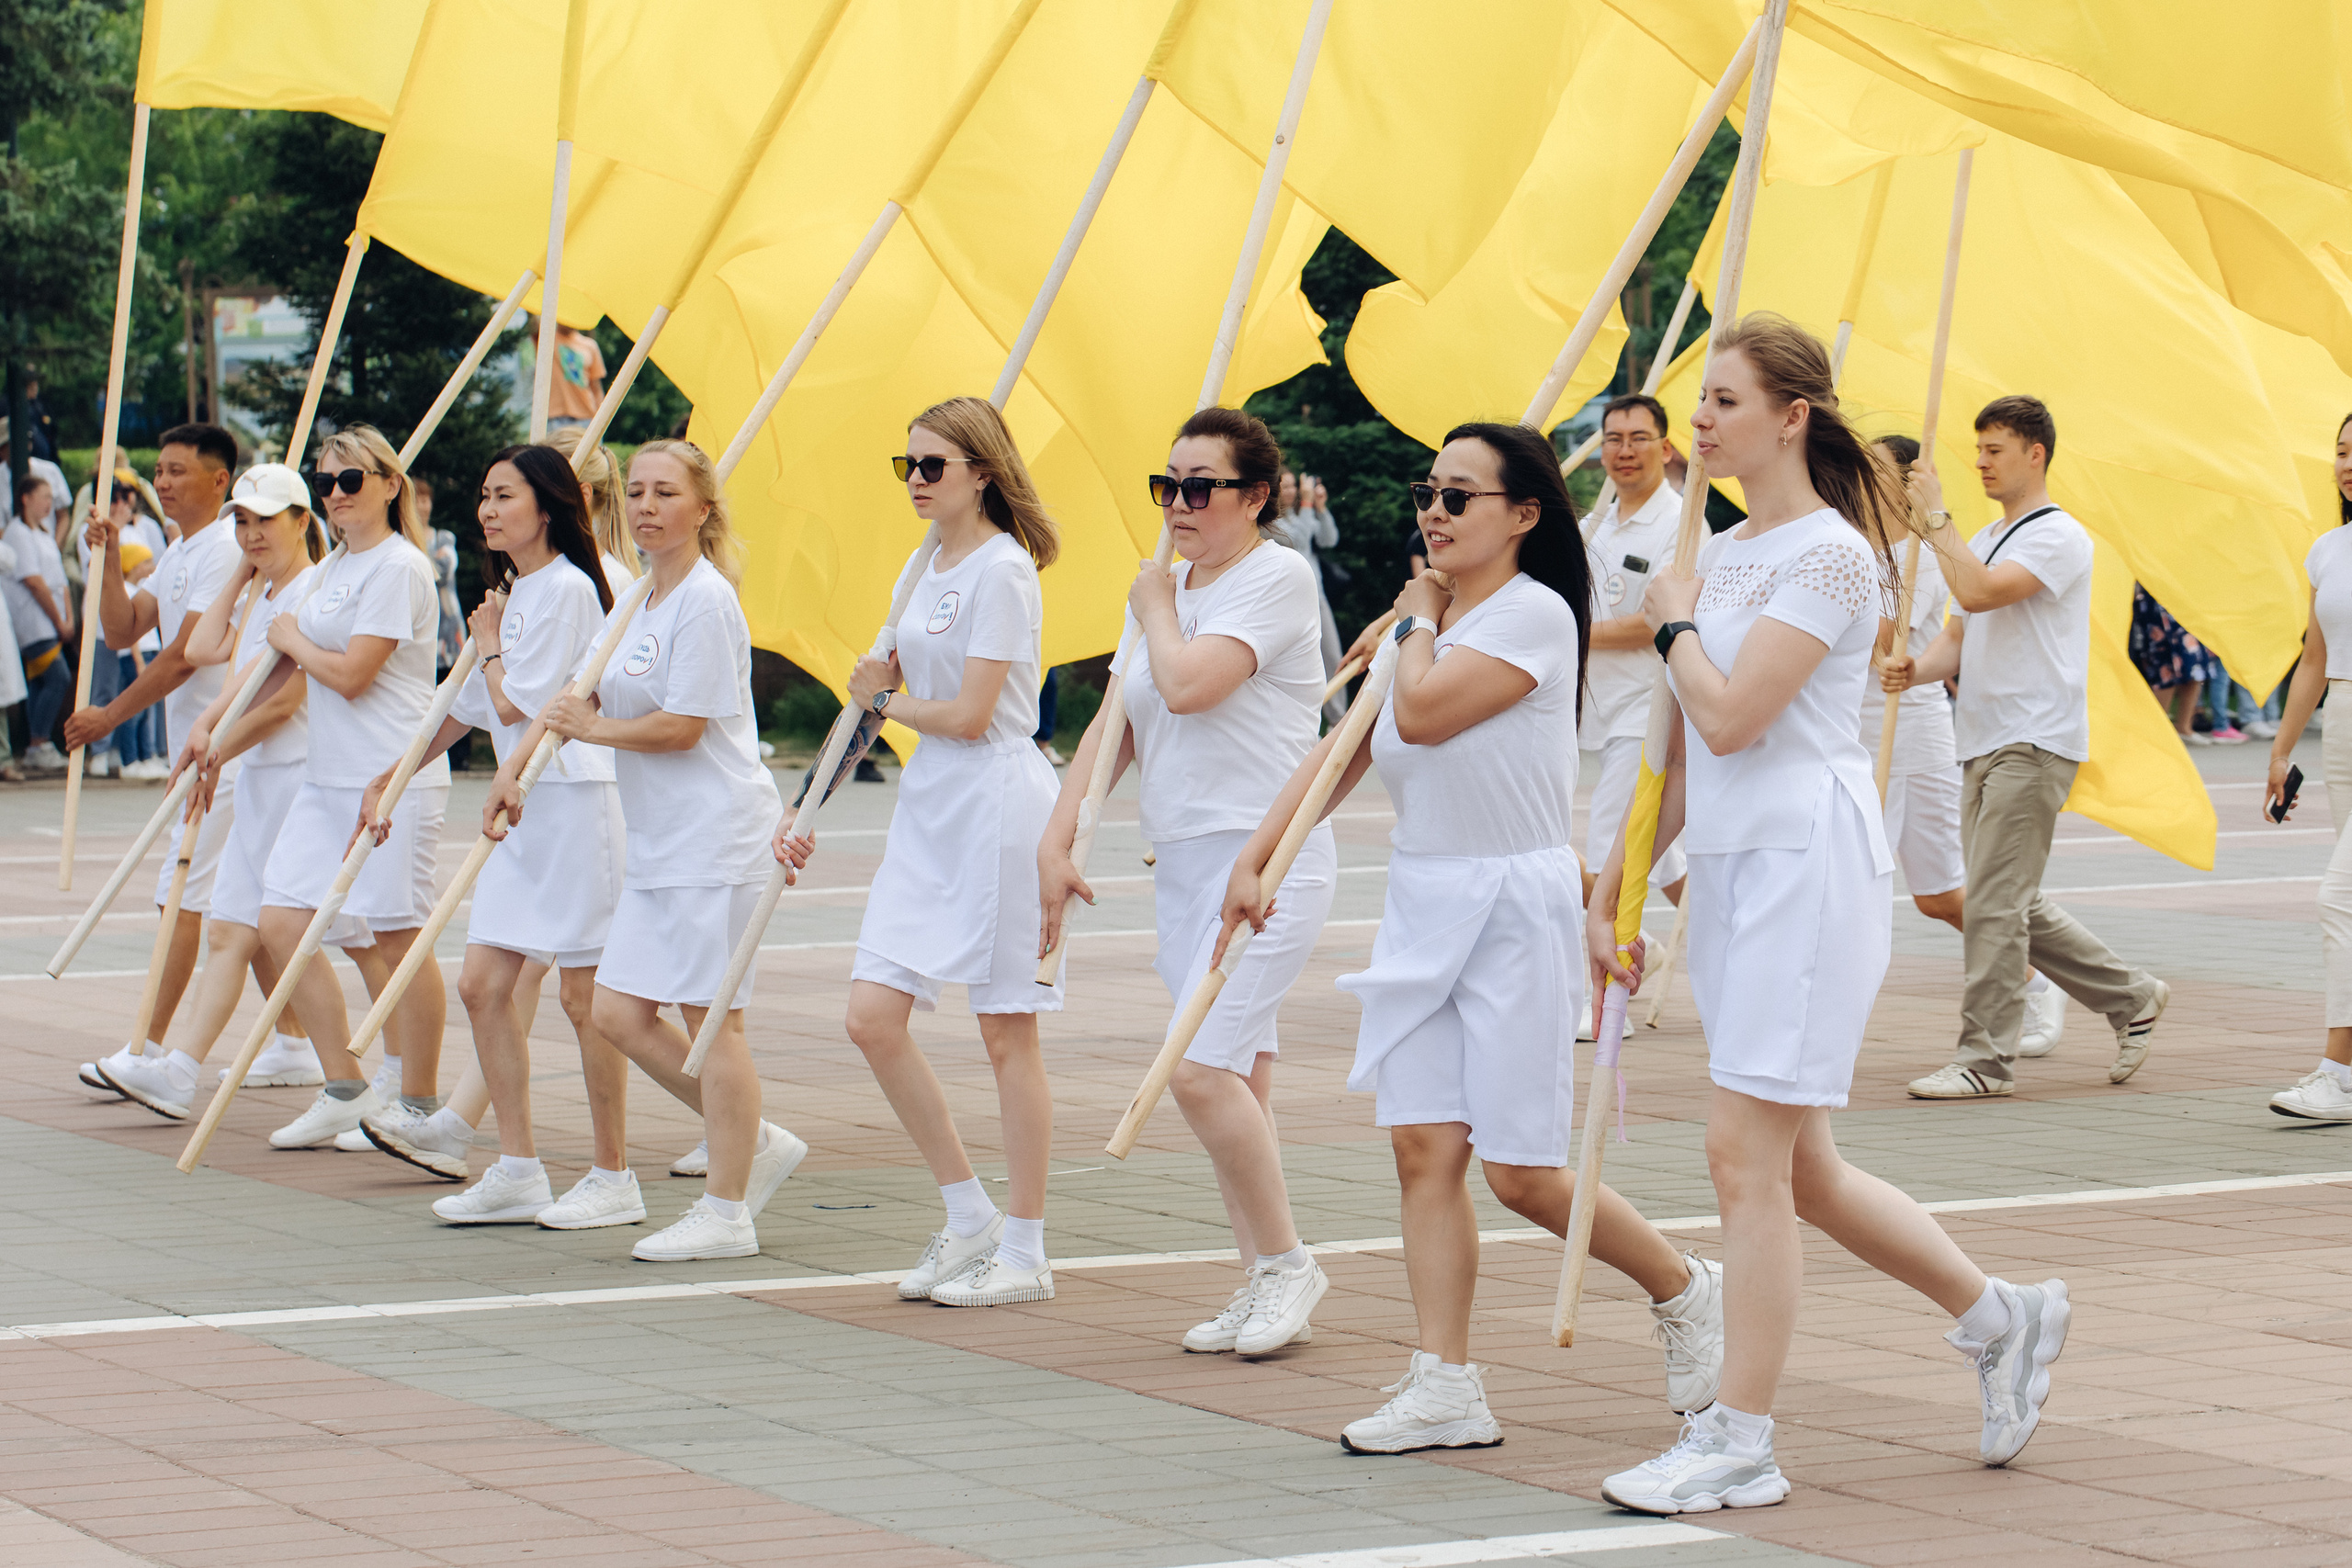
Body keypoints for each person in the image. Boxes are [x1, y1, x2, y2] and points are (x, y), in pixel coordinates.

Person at [1593, 315, 2067, 1513]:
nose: (1700, 420)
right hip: (1741, 861)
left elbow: (1738, 709)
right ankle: (2001, 1314)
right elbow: (1685, 744)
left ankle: (1740, 1433)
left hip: (1809, 857)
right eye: (1700, 400)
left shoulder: (1833, 554)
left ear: (1791, 416)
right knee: (1802, 1169)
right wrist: (1623, 878)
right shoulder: (1726, 548)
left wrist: (1676, 623)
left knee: (1742, 1154)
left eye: (1726, 399)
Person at [1232, 423, 1722, 1452]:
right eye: (1428, 493)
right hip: (1425, 897)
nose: (1434, 514)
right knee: (1421, 1148)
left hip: (1512, 906)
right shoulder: (1435, 622)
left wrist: (1412, 624)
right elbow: (1346, 752)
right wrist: (1259, 856)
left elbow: (1426, 712)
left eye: (1460, 497)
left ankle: (1684, 1287)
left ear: (1526, 514)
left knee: (1522, 1172)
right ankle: (1444, 1382)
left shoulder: (1536, 614)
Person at [1038, 407, 1340, 1356]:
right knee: (1236, 1076)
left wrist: (1157, 609)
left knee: (1199, 1072)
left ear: (1255, 498)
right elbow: (1116, 723)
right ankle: (1260, 1276)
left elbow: (1189, 684)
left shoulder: (1275, 578)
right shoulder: (1162, 590)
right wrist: (1059, 838)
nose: (1177, 503)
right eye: (1165, 485)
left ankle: (1290, 1265)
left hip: (1266, 860)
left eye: (1199, 487)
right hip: (1184, 863)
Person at [780, 397, 1064, 1305]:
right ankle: (966, 1211)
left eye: (931, 465)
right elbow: (867, 699)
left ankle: (1024, 1249)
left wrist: (885, 704)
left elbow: (970, 713)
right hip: (930, 805)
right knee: (870, 1015)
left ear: (981, 472)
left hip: (996, 799)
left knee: (1003, 1030)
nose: (913, 479)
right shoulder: (920, 565)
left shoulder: (1005, 573)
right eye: (905, 464)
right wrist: (809, 804)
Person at [529, 438, 807, 1261]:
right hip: (661, 843)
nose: (648, 505)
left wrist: (596, 729)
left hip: (716, 838)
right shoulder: (639, 598)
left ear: (703, 508)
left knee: (713, 1023)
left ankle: (726, 1210)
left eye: (666, 493)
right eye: (638, 492)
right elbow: (571, 696)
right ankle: (749, 1136)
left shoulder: (708, 601)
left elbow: (684, 727)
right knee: (616, 1011)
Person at [355, 445, 638, 1224]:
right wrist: (399, 768)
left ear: (546, 507)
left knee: (586, 999)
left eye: (504, 495)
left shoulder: (574, 589)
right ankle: (517, 1164)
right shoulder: (516, 591)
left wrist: (488, 645)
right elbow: (476, 709)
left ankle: (614, 1171)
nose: (487, 509)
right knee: (483, 984)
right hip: (522, 803)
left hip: (574, 802)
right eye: (483, 494)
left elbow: (522, 705)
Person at [1886, 395, 2169, 1099]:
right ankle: (2131, 995)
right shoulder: (1981, 535)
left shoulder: (2059, 535)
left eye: (1994, 450)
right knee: (2000, 897)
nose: (1980, 462)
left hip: (2035, 737)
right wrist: (1911, 669)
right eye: (1978, 450)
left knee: (1992, 903)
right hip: (1980, 737)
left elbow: (1980, 595)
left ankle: (1985, 1057)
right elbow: (1956, 635)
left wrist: (1935, 517)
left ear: (2034, 453)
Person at [96, 467, 376, 1117]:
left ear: (305, 520)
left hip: (301, 781)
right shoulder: (263, 592)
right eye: (242, 521)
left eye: (266, 520)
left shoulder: (314, 593)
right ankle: (185, 1072)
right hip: (257, 781)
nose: (251, 533)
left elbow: (283, 703)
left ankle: (369, 1079)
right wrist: (242, 576)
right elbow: (198, 646)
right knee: (232, 931)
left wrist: (216, 742)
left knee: (339, 937)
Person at [71, 425, 295, 1093]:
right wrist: (108, 556)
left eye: (175, 470)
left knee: (184, 895)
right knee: (242, 906)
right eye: (158, 471)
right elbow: (121, 630)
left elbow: (182, 655)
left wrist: (110, 717)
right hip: (202, 752)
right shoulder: (177, 551)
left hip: (227, 750)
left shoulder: (229, 548)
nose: (162, 482)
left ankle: (149, 1045)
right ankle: (296, 1041)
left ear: (220, 479)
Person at [251, 424, 455, 1150]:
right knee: (279, 921)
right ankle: (346, 1086)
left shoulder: (400, 567)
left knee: (396, 938)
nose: (336, 494)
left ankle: (420, 1099)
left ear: (389, 484)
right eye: (325, 481)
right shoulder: (334, 567)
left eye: (351, 480)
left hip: (393, 774)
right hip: (326, 777)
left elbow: (350, 673)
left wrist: (293, 640)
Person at [1865, 437, 2066, 1061]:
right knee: (1939, 898)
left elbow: (1873, 638)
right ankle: (2034, 975)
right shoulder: (1856, 545)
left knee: (1890, 883)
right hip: (1854, 731)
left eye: (1871, 470)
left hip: (1907, 732)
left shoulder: (1921, 558)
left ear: (1904, 482)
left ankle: (2034, 982)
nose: (1857, 480)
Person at [2264, 412, 2352, 1122]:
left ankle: (2339, 1074)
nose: (2347, 464)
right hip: (2342, 731)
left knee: (2339, 898)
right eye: (2342, 453)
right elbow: (2315, 660)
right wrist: (2283, 747)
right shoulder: (2328, 549)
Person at [1578, 393, 1687, 925]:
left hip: (1647, 711)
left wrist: (1576, 632)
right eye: (1614, 439)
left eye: (1639, 438)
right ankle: (1731, 934)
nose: (1625, 450)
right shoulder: (1594, 527)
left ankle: (1601, 997)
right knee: (1661, 864)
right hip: (1593, 710)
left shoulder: (1682, 525)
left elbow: (1656, 622)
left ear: (1666, 448)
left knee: (1608, 857)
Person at [5, 475, 73, 771]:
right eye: (44, 496)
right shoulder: (17, 533)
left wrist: (68, 617)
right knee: (58, 677)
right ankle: (38, 742)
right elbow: (34, 582)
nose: (49, 504)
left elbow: (60, 582)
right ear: (25, 498)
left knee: (42, 681)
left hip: (54, 618)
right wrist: (59, 620)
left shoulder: (45, 534)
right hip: (34, 621)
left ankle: (37, 742)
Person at [1278, 469, 1345, 726]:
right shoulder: (1269, 524)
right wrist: (1307, 505)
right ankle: (1302, 725)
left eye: (1295, 486)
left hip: (1317, 599)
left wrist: (1321, 507)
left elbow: (1329, 539)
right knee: (1296, 666)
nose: (1292, 491)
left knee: (1332, 658)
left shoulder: (1300, 516)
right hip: (1287, 605)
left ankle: (1338, 723)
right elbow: (1299, 539)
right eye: (1286, 487)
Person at [2130, 585, 2221, 746]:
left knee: (2195, 665)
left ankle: (2184, 727)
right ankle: (2155, 730)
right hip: (2158, 599)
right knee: (2165, 667)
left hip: (2186, 599)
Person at [541, 319, 607, 431]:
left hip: (586, 416)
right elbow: (533, 322)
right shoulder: (545, 338)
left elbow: (596, 387)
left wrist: (600, 418)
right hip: (556, 417)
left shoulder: (590, 345)